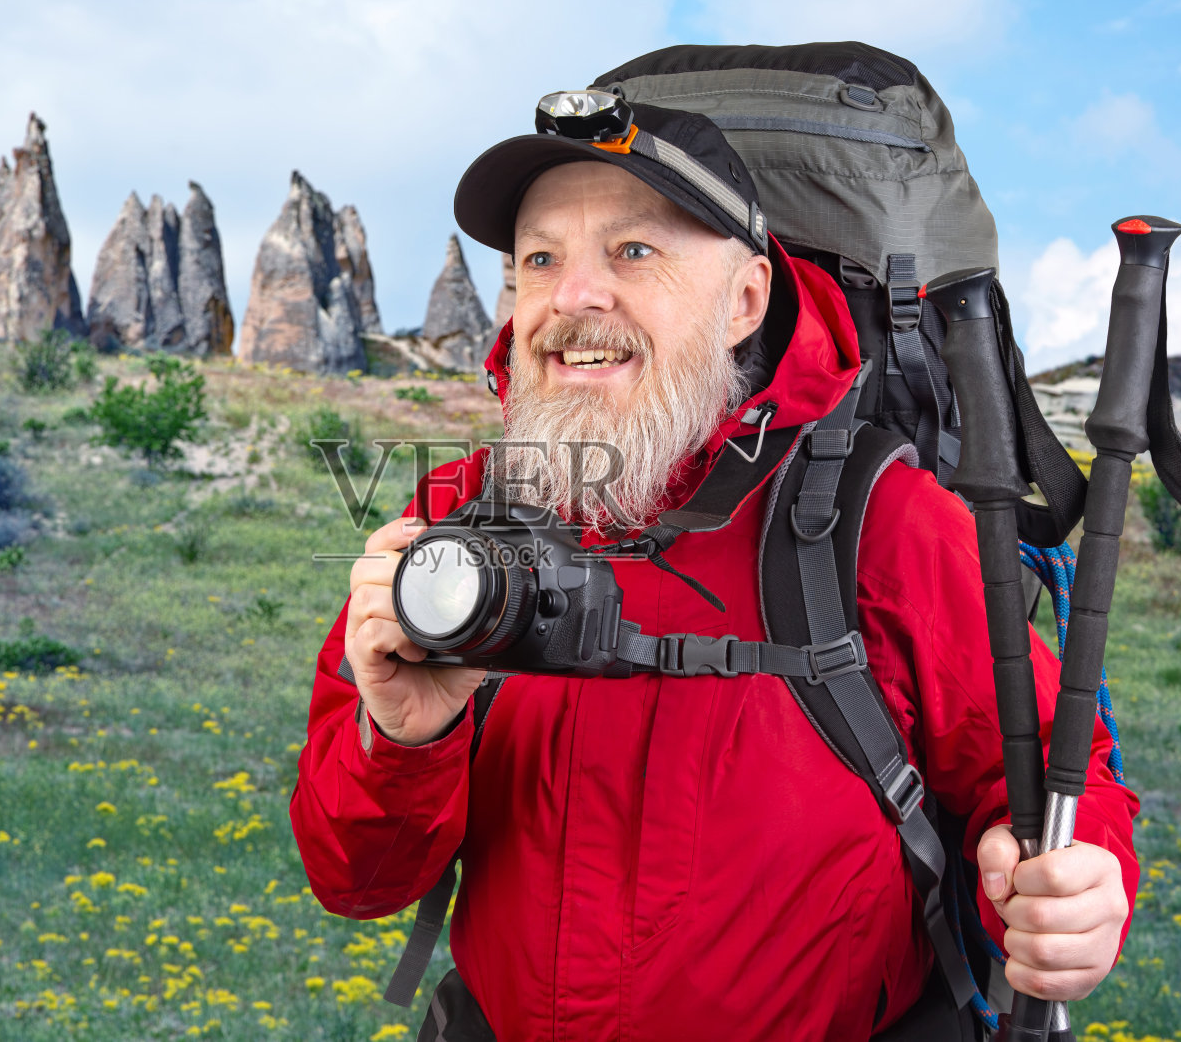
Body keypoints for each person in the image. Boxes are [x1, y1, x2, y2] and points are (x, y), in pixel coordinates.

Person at [290, 94, 1138, 1039]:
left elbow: (1047, 783)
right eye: (540, 259)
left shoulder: (878, 518)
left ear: (745, 301)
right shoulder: (452, 524)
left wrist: (1076, 887)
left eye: (633, 251)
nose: (575, 297)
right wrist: (401, 739)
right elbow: (356, 879)